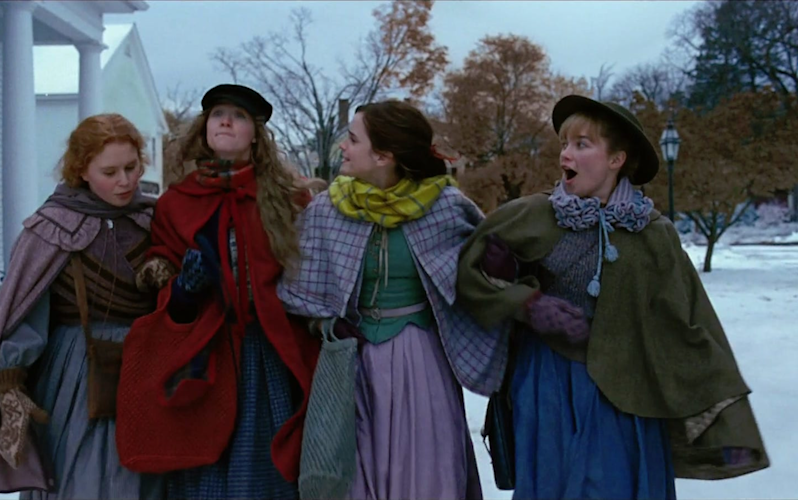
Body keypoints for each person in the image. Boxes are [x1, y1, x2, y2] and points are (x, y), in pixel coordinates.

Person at [457, 95, 769, 499]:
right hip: (549, 385)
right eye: (564, 144)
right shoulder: (532, 215)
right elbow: (470, 274)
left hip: (628, 392)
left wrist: (726, 420)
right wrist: (527, 303)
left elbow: (690, 322)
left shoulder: (653, 234)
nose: (565, 154)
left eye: (581, 144)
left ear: (616, 159)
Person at [278, 100, 508, 500]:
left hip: (422, 361)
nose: (343, 147)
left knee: (427, 473)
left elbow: (481, 279)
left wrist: (499, 267)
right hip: (353, 366)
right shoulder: (327, 209)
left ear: (383, 156)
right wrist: (326, 324)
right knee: (355, 476)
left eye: (353, 139)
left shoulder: (445, 206)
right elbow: (300, 287)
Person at [116, 84, 320, 500]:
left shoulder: (288, 199)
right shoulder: (175, 202)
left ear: (256, 135)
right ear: (204, 129)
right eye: (218, 114)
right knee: (204, 470)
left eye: (239, 116)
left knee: (264, 472)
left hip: (266, 353)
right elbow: (166, 300)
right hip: (204, 353)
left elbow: (311, 273)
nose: (226, 121)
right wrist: (185, 289)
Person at [0, 113, 161, 499]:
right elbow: (26, 313)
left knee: (147, 475)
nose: (125, 181)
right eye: (110, 172)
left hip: (148, 364)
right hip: (76, 371)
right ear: (82, 170)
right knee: (82, 473)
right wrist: (11, 384)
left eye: (132, 167)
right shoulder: (52, 228)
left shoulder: (156, 220)